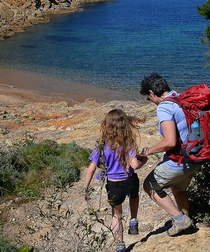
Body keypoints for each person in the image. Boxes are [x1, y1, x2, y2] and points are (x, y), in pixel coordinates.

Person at [139, 73, 202, 236]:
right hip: (196, 157)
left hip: (181, 161)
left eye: (148, 97)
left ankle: (180, 220)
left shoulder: (165, 107)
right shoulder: (181, 98)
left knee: (149, 185)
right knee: (177, 188)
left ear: (152, 93)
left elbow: (170, 142)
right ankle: (186, 220)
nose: (150, 101)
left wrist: (149, 150)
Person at [83, 108, 148, 252]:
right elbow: (135, 165)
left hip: (114, 185)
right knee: (134, 196)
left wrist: (85, 189)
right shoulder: (128, 143)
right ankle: (133, 220)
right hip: (130, 180)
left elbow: (91, 169)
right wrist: (145, 160)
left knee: (116, 215)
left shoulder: (101, 145)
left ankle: (120, 246)